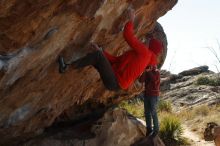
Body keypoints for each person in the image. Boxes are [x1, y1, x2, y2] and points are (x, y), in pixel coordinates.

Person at [58, 8, 162, 91]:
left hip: (115, 81)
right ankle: (73, 65)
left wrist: (131, 20)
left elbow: (128, 36)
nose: (145, 41)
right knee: (97, 56)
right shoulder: (139, 55)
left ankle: (66, 67)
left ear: (150, 47)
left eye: (148, 41)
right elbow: (116, 60)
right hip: (115, 81)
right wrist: (101, 51)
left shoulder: (145, 53)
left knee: (97, 56)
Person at [139, 65, 160, 137]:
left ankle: (156, 130)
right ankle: (149, 129)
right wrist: (145, 72)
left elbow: (154, 80)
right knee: (147, 113)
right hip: (147, 95)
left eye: (153, 65)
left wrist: (149, 72)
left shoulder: (157, 72)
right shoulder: (147, 72)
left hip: (154, 95)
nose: (151, 66)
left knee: (153, 112)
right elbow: (141, 80)